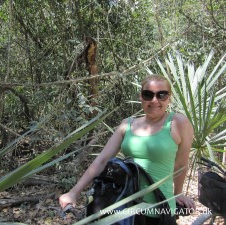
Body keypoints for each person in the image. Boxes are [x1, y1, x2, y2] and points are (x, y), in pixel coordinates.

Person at [59, 75, 196, 224]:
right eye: (148, 94)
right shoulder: (127, 124)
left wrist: (178, 194)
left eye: (161, 95)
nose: (154, 100)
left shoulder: (178, 123)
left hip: (160, 210)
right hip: (126, 211)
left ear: (169, 98)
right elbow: (102, 160)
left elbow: (181, 164)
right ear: (141, 97)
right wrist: (74, 192)